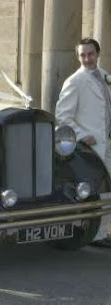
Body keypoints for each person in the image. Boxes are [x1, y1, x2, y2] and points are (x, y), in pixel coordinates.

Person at [56, 37, 111, 248]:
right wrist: (80, 136)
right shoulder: (75, 81)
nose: (87, 59)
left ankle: (102, 232)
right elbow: (62, 116)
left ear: (97, 54)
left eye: (90, 54)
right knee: (101, 190)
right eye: (82, 55)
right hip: (91, 146)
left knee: (107, 189)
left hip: (107, 141)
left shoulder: (105, 76)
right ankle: (97, 236)